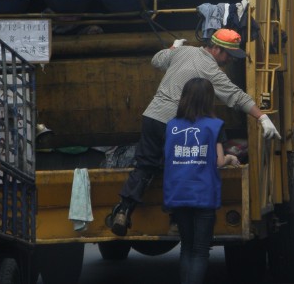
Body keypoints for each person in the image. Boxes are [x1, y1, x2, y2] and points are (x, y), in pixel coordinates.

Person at [109, 28, 281, 236]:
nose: (229, 60)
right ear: (216, 48)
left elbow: (157, 60)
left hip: (152, 116)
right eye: (228, 54)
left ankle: (123, 211)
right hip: (175, 125)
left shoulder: (184, 52)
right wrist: (262, 117)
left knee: (145, 165)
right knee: (174, 168)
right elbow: (237, 97)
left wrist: (174, 47)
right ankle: (174, 221)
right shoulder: (211, 71)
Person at [163, 77, 239, 284]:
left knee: (186, 248)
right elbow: (218, 161)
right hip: (203, 194)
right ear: (208, 100)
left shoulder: (172, 126)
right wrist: (231, 158)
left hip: (178, 193)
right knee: (200, 250)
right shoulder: (214, 126)